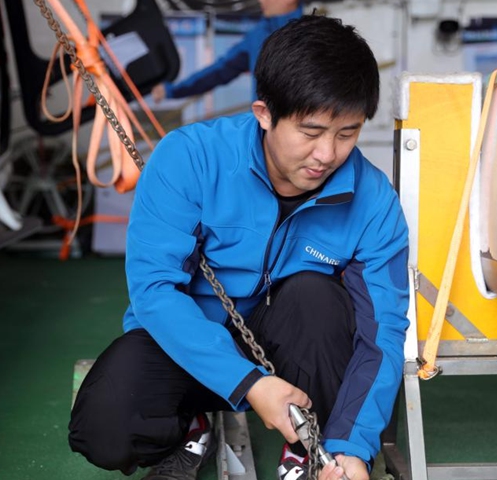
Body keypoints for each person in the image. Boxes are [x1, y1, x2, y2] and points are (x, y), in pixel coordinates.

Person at [69, 14, 410, 480]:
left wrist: (354, 446)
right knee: (104, 428)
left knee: (317, 298)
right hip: (188, 343)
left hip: (292, 346)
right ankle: (189, 428)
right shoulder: (189, 158)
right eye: (310, 132)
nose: (328, 154)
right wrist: (248, 383)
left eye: (346, 133)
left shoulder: (374, 202)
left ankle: (314, 448)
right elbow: (154, 292)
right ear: (264, 114)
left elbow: (382, 335)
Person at [151, 0, 302, 103]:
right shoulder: (257, 36)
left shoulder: (314, 33)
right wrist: (171, 91)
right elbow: (218, 71)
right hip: (263, 134)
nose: (261, 1)